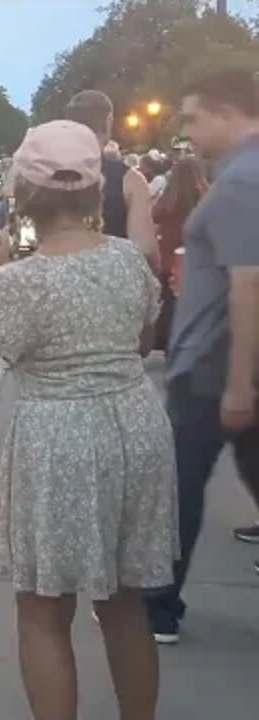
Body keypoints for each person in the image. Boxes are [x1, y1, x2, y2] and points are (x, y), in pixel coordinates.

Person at [0, 120, 174, 720]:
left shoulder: (16, 277)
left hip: (58, 437)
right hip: (135, 425)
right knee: (126, 603)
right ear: (91, 192)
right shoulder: (130, 262)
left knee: (45, 611)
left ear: (24, 194)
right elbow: (141, 343)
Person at [145, 68, 259, 641]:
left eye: (192, 117)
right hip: (225, 362)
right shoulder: (241, 175)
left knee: (177, 487)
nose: (186, 131)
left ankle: (159, 604)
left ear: (226, 112)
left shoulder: (242, 182)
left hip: (215, 367)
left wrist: (239, 384)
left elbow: (249, 283)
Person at [63, 90, 158, 268]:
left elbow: (22, 247)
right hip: (113, 285)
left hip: (51, 288)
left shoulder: (41, 178)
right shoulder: (131, 180)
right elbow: (144, 250)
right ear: (108, 121)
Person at [151, 156, 209, 349]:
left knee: (169, 306)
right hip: (197, 263)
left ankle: (170, 343)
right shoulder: (205, 196)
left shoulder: (168, 198)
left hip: (168, 262)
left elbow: (154, 215)